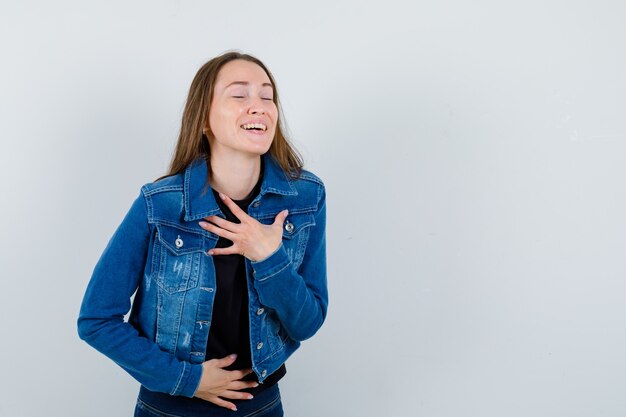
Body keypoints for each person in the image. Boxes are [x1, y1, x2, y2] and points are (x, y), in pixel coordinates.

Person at [77, 51, 328, 416]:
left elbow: (306, 324)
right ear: (205, 119)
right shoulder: (159, 205)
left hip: (262, 408)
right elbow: (96, 320)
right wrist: (186, 379)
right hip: (169, 409)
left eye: (267, 96)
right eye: (239, 95)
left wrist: (270, 259)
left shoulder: (306, 197)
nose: (258, 107)